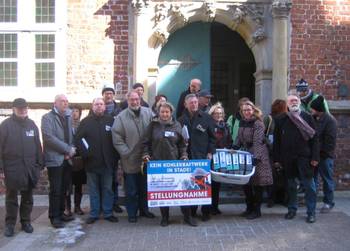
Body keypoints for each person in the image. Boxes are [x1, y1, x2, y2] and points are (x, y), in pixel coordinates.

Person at [273, 94, 319, 223]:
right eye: (291, 101)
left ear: (299, 102)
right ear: (287, 104)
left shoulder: (308, 117)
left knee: (310, 187)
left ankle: (311, 213)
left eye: (296, 100)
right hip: (288, 159)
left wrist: (315, 157)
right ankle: (292, 209)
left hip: (305, 158)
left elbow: (315, 139)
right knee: (291, 186)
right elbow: (277, 141)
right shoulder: (281, 119)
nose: (294, 102)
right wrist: (277, 159)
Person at [142, 102, 190, 227]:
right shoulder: (153, 126)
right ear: (158, 112)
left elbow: (182, 144)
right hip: (158, 164)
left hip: (174, 164)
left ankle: (187, 216)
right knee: (163, 192)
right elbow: (146, 143)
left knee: (181, 191)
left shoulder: (177, 125)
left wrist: (184, 155)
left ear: (171, 113)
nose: (164, 114)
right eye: (162, 111)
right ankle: (164, 217)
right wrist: (146, 154)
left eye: (167, 112)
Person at [0, 98, 43, 237]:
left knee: (28, 197)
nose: (23, 110)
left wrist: (39, 165)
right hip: (11, 168)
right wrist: (1, 170)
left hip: (29, 168)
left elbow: (38, 146)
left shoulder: (32, 125)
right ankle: (10, 224)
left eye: (25, 108)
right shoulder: (5, 126)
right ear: (13, 109)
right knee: (11, 198)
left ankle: (26, 222)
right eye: (20, 108)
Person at [112, 91, 155, 223]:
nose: (135, 102)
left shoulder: (149, 113)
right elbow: (117, 138)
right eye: (132, 100)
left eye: (137, 99)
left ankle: (144, 210)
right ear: (128, 101)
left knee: (144, 187)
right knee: (131, 190)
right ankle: (132, 213)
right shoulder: (121, 117)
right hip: (130, 160)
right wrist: (127, 153)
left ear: (140, 99)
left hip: (146, 158)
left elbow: (157, 130)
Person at [75, 98, 119, 224]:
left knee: (107, 189)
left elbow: (116, 140)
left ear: (104, 107)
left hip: (107, 163)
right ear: (92, 107)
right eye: (96, 104)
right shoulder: (85, 122)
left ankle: (108, 212)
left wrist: (115, 157)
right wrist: (86, 152)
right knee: (93, 190)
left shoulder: (111, 121)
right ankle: (94, 213)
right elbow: (79, 139)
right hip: (91, 163)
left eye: (101, 104)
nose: (99, 106)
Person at [178, 94, 216, 222]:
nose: (194, 104)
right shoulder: (180, 120)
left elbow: (212, 138)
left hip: (203, 157)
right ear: (185, 104)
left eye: (195, 102)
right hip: (188, 157)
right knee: (190, 186)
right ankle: (191, 212)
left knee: (205, 185)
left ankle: (206, 212)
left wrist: (210, 153)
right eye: (191, 103)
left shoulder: (206, 118)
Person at [42, 94, 76, 228]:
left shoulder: (68, 116)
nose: (65, 104)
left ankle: (61, 213)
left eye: (67, 101)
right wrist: (67, 150)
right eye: (62, 101)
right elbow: (49, 138)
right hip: (55, 160)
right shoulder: (47, 118)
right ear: (55, 103)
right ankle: (54, 217)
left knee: (64, 188)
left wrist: (71, 149)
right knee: (56, 189)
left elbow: (71, 135)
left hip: (67, 159)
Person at [235, 101, 273, 220]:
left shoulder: (258, 123)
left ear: (253, 110)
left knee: (257, 184)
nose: (247, 112)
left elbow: (258, 141)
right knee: (246, 183)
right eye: (244, 110)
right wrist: (235, 146)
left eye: (249, 110)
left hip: (259, 155)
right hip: (246, 154)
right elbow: (239, 137)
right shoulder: (243, 122)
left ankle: (257, 210)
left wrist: (256, 157)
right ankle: (249, 208)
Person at [310, 95, 337, 213]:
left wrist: (322, 154)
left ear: (317, 109)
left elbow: (330, 141)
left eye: (312, 109)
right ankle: (312, 201)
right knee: (313, 179)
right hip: (315, 155)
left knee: (327, 179)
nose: (311, 111)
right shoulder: (315, 119)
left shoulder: (330, 120)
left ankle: (328, 202)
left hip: (324, 157)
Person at [101, 84, 123, 213]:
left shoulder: (119, 110)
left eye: (110, 93)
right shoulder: (97, 108)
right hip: (100, 149)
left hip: (114, 149)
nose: (108, 95)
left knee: (114, 178)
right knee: (102, 178)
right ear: (102, 95)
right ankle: (103, 204)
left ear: (113, 95)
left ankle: (114, 202)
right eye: (106, 93)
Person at [208, 103, 232, 215]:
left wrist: (229, 148)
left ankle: (215, 207)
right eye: (216, 113)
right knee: (210, 183)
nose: (219, 115)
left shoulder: (225, 125)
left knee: (218, 183)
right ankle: (208, 208)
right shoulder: (209, 125)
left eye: (221, 113)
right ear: (212, 114)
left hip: (222, 157)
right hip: (211, 156)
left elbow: (229, 140)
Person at [264, 99, 288, 207]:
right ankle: (274, 198)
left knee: (278, 175)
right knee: (275, 175)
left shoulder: (287, 118)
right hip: (274, 150)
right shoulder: (269, 119)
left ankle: (276, 198)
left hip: (277, 150)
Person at [64, 104, 86, 216]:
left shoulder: (83, 125)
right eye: (72, 111)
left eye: (77, 111)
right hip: (68, 158)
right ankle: (67, 207)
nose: (74, 113)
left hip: (79, 159)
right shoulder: (65, 125)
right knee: (67, 184)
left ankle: (77, 206)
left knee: (78, 184)